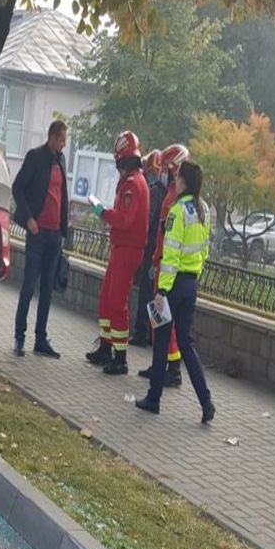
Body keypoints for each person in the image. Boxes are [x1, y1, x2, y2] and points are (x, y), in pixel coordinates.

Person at [135, 160, 216, 422]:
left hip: (173, 285)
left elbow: (170, 254)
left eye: (177, 176)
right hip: (191, 284)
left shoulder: (176, 211)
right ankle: (206, 402)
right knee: (185, 344)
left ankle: (153, 399)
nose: (174, 180)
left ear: (183, 181)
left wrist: (162, 291)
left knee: (161, 342)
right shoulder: (203, 209)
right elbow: (204, 251)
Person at [86, 131, 150, 375]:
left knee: (117, 302)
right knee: (106, 299)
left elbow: (124, 219)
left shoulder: (133, 185)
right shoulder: (131, 182)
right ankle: (105, 347)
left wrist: (103, 212)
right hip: (121, 247)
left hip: (128, 249)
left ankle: (120, 357)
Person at [11, 120, 70, 358]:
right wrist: (29, 219)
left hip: (55, 235)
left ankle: (40, 338)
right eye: (62, 140)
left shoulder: (61, 161)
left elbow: (62, 195)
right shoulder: (35, 157)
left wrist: (63, 230)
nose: (64, 144)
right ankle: (19, 336)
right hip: (38, 232)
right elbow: (18, 188)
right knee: (28, 287)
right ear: (53, 137)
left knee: (47, 289)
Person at [137, 144, 191, 387]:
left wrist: (158, 260)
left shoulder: (177, 199)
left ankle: (171, 369)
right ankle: (162, 365)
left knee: (166, 324)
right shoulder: (173, 194)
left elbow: (167, 235)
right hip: (163, 263)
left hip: (167, 267)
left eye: (170, 170)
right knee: (161, 321)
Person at [130, 149, 166, 347]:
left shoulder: (154, 191)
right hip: (159, 251)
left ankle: (141, 331)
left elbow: (148, 220)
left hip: (151, 249)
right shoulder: (166, 194)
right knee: (155, 293)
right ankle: (153, 335)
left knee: (147, 292)